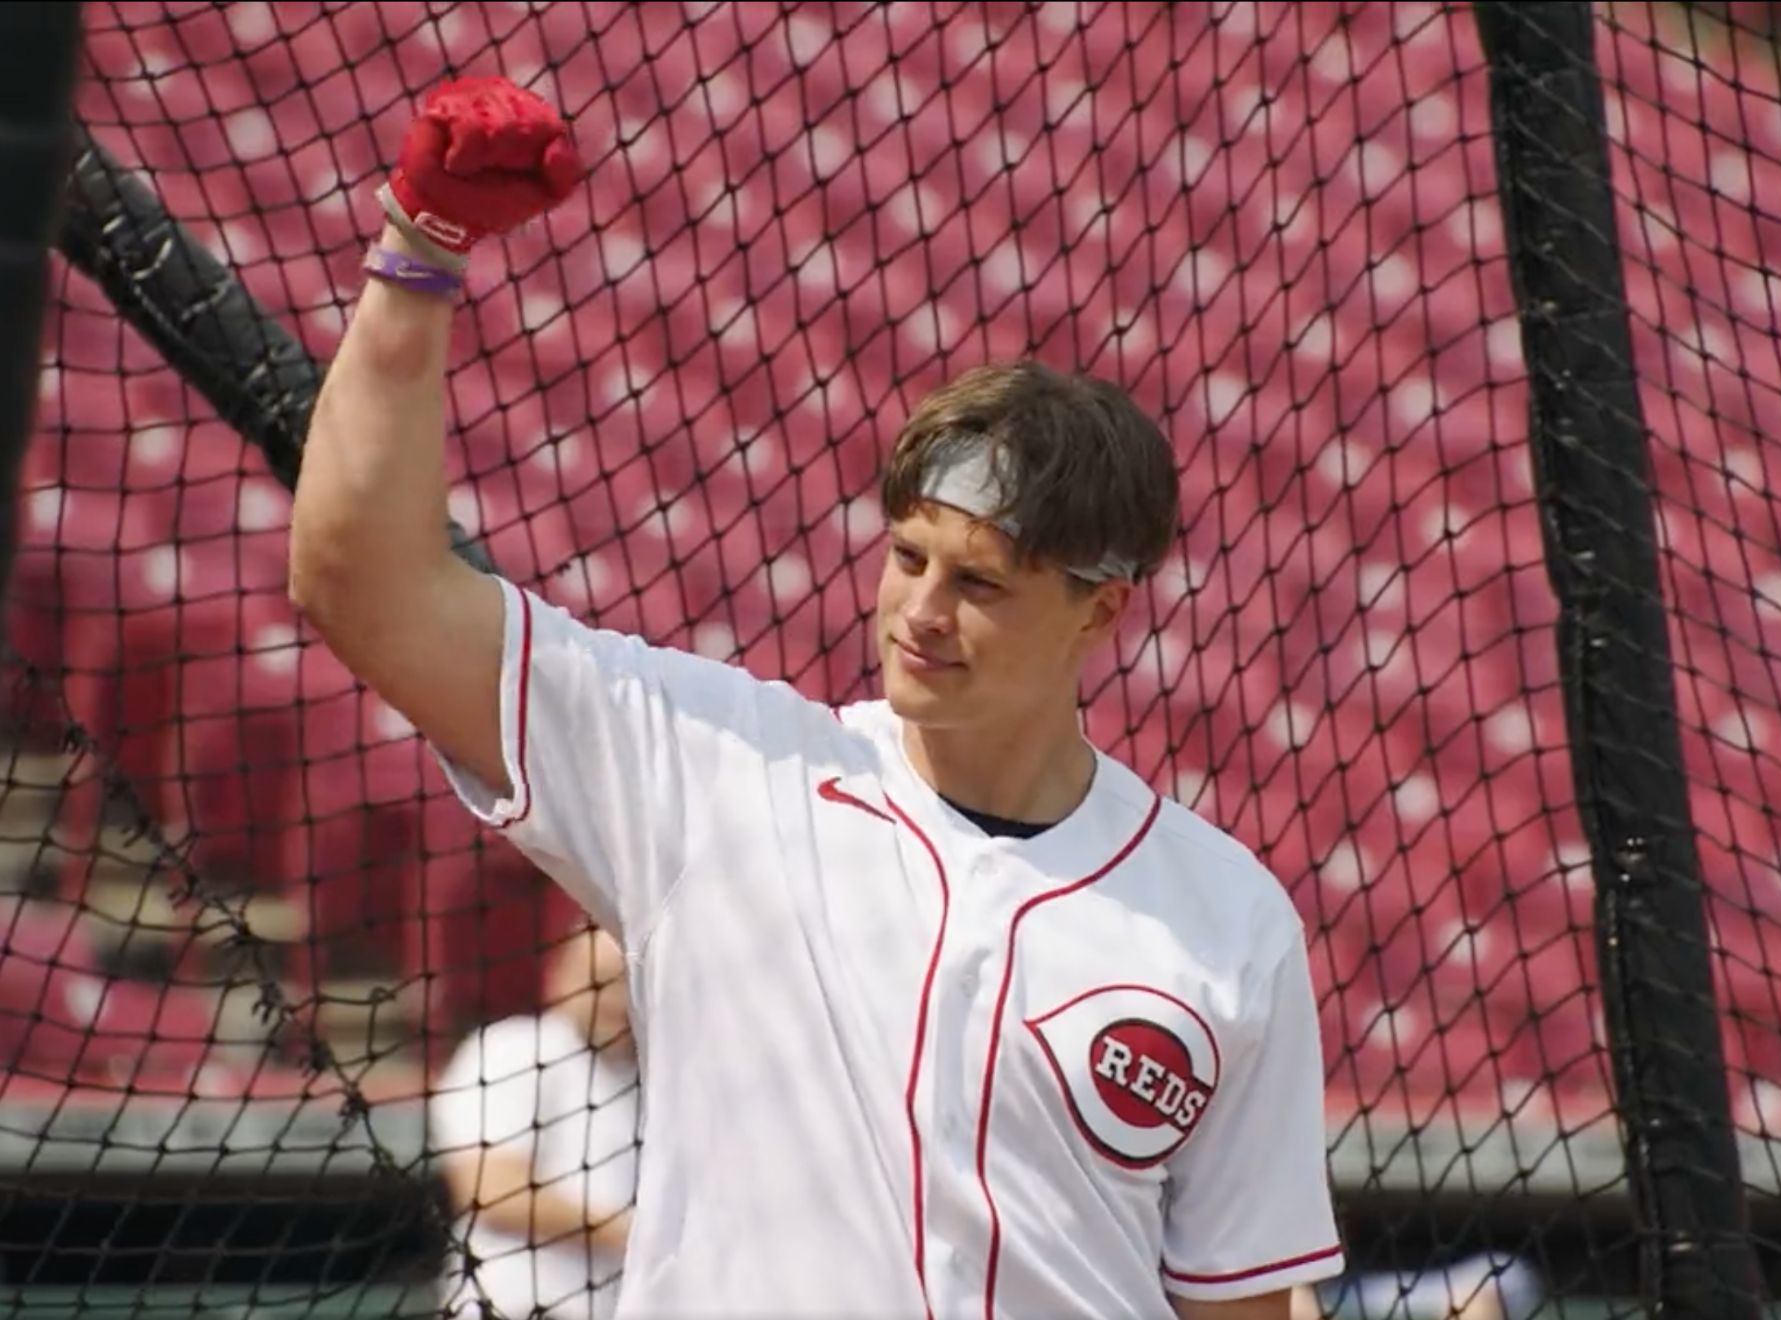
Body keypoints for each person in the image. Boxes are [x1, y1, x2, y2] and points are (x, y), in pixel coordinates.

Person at [290, 74, 1343, 1318]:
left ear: (1101, 608)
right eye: (907, 557)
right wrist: (421, 252)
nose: (920, 613)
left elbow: (1243, 1308)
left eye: (981, 582)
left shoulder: (1223, 920)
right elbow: (364, 584)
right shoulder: (715, 770)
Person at [429, 922, 640, 1320]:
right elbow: (494, 1193)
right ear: (557, 980)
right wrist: (632, 1234)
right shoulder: (519, 1048)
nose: (613, 1001)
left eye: (626, 986)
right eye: (600, 982)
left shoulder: (652, 1081)